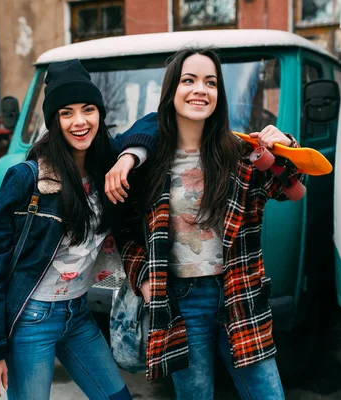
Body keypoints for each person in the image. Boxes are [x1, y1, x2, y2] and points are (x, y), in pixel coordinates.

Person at [107, 48, 302, 400]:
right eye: (189, 80)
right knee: (195, 395)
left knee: (269, 394)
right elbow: (125, 232)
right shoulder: (147, 163)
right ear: (172, 91)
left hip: (239, 293)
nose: (201, 89)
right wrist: (144, 279)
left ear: (218, 94)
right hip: (180, 300)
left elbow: (290, 189)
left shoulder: (239, 153)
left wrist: (286, 146)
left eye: (210, 82)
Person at [0, 59, 142, 400]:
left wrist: (130, 157)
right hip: (32, 319)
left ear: (100, 114)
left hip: (77, 314)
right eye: (66, 113)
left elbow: (151, 126)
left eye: (88, 109)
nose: (80, 121)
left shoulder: (108, 168)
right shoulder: (28, 179)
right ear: (54, 121)